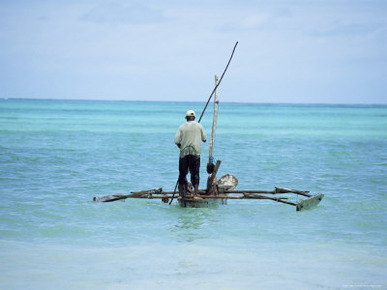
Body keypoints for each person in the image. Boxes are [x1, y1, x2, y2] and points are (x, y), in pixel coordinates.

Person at [174, 110, 207, 199]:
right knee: (195, 173)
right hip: (195, 153)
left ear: (186, 118)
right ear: (194, 118)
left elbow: (176, 141)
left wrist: (181, 147)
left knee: (182, 174)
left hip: (184, 153)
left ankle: (180, 195)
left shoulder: (182, 126)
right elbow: (204, 139)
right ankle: (195, 194)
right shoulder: (199, 126)